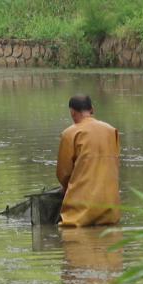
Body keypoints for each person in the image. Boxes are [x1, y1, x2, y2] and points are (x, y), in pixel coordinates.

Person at [56, 95, 121, 226]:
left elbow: (64, 173)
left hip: (80, 212)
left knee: (71, 236)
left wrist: (65, 188)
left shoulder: (70, 133)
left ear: (72, 112)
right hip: (110, 209)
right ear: (92, 110)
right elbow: (115, 164)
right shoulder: (111, 130)